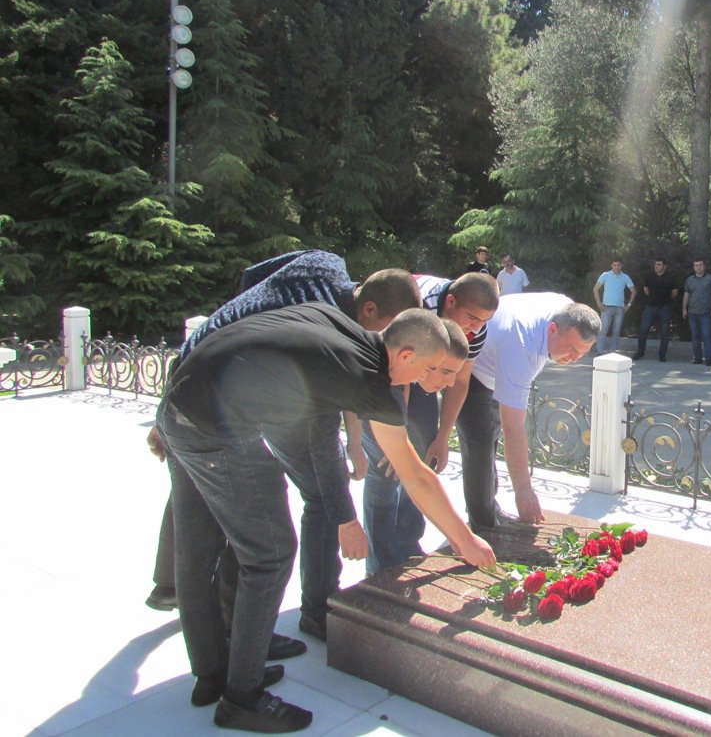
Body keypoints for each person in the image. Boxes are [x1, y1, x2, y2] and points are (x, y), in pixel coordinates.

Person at [158, 305, 496, 731]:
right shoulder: (369, 381)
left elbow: (314, 423)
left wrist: (340, 512)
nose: (433, 382)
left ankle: (215, 676)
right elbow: (415, 475)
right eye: (431, 368)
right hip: (211, 431)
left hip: (178, 405)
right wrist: (465, 540)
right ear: (406, 356)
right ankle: (240, 698)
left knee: (203, 550)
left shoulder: (346, 334)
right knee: (270, 552)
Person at [146, 250, 420, 655]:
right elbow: (323, 440)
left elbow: (250, 277)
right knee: (299, 509)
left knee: (207, 510)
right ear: (368, 307)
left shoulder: (327, 264)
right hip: (212, 395)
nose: (386, 344)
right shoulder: (330, 331)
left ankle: (220, 630)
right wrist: (346, 517)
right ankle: (308, 613)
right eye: (385, 332)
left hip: (207, 384)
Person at [361, 272, 500, 573]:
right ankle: (381, 563)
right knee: (386, 465)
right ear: (450, 302)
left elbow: (459, 381)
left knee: (422, 452)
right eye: (472, 318)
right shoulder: (420, 310)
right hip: (391, 369)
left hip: (421, 367)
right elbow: (401, 373)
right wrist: (395, 433)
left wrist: (442, 437)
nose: (475, 327)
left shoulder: (476, 331)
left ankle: (408, 544)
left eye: (483, 322)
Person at [454, 294, 600, 529]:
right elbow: (513, 428)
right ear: (553, 329)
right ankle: (484, 527)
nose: (573, 359)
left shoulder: (567, 309)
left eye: (582, 353)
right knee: (480, 444)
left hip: (500, 354)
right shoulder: (522, 346)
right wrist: (524, 492)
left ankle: (490, 508)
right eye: (571, 350)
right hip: (472, 369)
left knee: (491, 436)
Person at [633, 258, 677, 362]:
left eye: (659, 264)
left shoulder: (670, 278)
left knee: (665, 332)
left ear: (664, 266)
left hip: (664, 308)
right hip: (650, 307)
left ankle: (662, 355)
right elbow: (646, 290)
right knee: (643, 330)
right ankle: (640, 352)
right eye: (655, 264)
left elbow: (674, 293)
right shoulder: (649, 276)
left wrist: (666, 301)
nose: (656, 266)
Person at [682, 258, 711, 366]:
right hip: (692, 312)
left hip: (706, 313)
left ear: (704, 266)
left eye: (700, 265)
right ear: (693, 267)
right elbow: (686, 294)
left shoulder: (710, 279)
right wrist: (684, 308)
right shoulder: (690, 280)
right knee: (695, 336)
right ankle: (697, 358)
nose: (698, 267)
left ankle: (709, 359)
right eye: (696, 265)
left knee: (707, 335)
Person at [592, 257, 635, 354]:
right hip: (606, 306)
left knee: (616, 330)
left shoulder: (625, 277)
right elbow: (595, 289)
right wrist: (598, 303)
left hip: (620, 308)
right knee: (604, 329)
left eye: (618, 265)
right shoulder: (605, 275)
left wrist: (628, 305)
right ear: (612, 265)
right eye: (614, 265)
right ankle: (599, 350)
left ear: (621, 265)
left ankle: (613, 351)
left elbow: (633, 291)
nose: (616, 267)